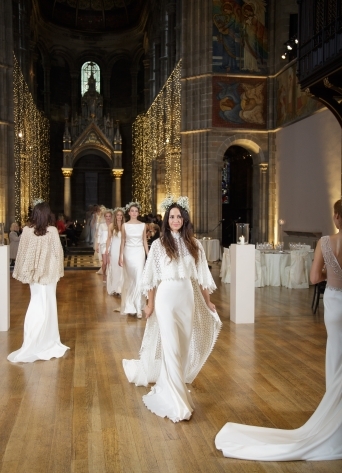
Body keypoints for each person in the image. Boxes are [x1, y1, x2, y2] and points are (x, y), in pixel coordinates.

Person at [215, 198, 342, 461]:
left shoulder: (325, 243)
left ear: (336, 217)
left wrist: (332, 275)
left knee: (335, 356)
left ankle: (333, 410)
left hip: (333, 304)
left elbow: (314, 278)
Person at [122, 196, 222, 422]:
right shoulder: (158, 245)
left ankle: (172, 383)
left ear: (184, 219)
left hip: (186, 297)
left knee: (184, 345)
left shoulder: (195, 245)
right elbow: (152, 279)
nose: (175, 220)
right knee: (171, 346)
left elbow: (202, 278)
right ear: (166, 220)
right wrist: (149, 304)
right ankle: (176, 400)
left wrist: (207, 302)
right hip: (165, 298)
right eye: (172, 217)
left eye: (179, 216)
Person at [8, 201, 69, 363]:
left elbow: (22, 253)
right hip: (48, 275)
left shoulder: (27, 231)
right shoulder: (52, 230)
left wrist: (24, 272)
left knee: (36, 302)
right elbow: (58, 253)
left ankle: (33, 340)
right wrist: (58, 272)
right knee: (48, 304)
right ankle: (46, 340)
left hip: (34, 275)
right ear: (48, 215)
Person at [119, 202, 149, 318]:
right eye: (132, 211)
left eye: (136, 211)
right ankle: (130, 305)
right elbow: (122, 241)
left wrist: (148, 255)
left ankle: (138, 307)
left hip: (139, 252)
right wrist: (121, 256)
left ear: (138, 213)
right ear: (129, 212)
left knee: (138, 278)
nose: (134, 213)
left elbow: (145, 241)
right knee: (130, 279)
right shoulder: (124, 225)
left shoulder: (143, 225)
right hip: (128, 252)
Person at [106, 207, 124, 296]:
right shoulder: (112, 226)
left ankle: (120, 288)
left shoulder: (125, 225)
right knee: (115, 268)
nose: (119, 217)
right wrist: (107, 250)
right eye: (118, 215)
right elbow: (109, 238)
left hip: (123, 249)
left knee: (122, 269)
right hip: (114, 249)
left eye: (121, 215)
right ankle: (115, 287)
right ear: (115, 216)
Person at [96, 209, 113, 284]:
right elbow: (99, 235)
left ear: (111, 217)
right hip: (103, 245)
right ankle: (104, 275)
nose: (108, 217)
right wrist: (97, 245)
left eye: (109, 216)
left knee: (110, 261)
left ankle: (110, 275)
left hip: (112, 244)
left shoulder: (113, 225)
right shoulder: (101, 225)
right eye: (106, 216)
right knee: (105, 262)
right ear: (104, 217)